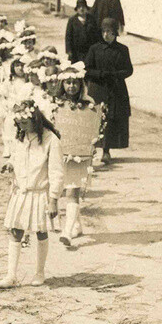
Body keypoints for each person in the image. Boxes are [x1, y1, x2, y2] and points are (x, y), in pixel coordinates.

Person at [0, 100, 64, 289]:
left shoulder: (51, 140)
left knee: (41, 232)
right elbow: (17, 158)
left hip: (40, 194)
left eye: (24, 122)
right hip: (21, 193)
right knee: (15, 231)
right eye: (18, 123)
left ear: (35, 119)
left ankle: (39, 272)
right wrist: (10, 164)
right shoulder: (20, 138)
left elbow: (57, 172)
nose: (21, 126)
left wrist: (53, 200)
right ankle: (11, 275)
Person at [55, 63, 98, 246]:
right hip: (60, 154)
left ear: (81, 85)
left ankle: (67, 232)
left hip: (79, 155)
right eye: (67, 83)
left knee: (73, 190)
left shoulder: (88, 106)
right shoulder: (56, 105)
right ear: (62, 84)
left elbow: (93, 129)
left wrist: (93, 143)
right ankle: (77, 225)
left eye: (75, 83)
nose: (71, 86)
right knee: (64, 190)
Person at [84, 18, 133, 164]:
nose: (106, 35)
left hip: (115, 88)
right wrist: (99, 74)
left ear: (115, 33)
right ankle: (90, 150)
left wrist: (116, 75)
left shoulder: (122, 50)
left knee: (111, 119)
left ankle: (106, 150)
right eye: (104, 32)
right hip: (98, 88)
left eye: (110, 32)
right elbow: (87, 69)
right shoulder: (94, 49)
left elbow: (129, 70)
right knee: (95, 118)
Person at [65, 0, 98, 64]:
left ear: (86, 8)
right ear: (77, 9)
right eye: (79, 7)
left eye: (83, 7)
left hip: (89, 51)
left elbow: (96, 35)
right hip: (75, 52)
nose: (81, 9)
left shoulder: (92, 19)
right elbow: (68, 36)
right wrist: (69, 50)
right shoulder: (72, 20)